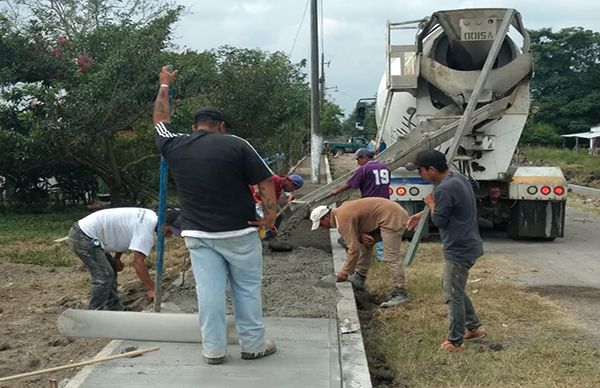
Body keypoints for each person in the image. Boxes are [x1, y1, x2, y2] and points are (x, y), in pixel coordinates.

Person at [153, 66, 278, 365]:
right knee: (246, 289)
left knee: (207, 292)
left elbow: (160, 119)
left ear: (195, 126)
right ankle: (253, 345)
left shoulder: (173, 144)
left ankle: (213, 350)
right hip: (240, 231)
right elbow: (265, 183)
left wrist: (165, 85)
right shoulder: (237, 144)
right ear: (221, 126)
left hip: (198, 234)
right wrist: (270, 219)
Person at [405, 150, 486, 352]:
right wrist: (420, 214)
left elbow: (440, 219)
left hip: (459, 248)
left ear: (431, 169)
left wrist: (431, 204)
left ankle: (455, 341)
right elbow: (449, 207)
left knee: (453, 294)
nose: (420, 175)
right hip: (469, 243)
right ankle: (474, 327)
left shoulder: (443, 189)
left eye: (421, 171)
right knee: (452, 287)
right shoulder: (457, 178)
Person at [67, 207, 181, 311]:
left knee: (111, 268)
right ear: (164, 223)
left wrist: (117, 258)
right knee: (104, 274)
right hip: (84, 235)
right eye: (170, 231)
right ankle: (94, 313)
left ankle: (113, 307)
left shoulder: (150, 216)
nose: (170, 235)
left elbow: (124, 234)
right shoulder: (146, 231)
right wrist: (151, 288)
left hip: (91, 232)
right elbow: (138, 262)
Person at [310, 197, 410, 307]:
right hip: (387, 213)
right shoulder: (341, 212)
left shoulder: (342, 218)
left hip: (392, 216)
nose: (323, 228)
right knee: (365, 244)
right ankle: (359, 277)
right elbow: (361, 221)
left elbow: (353, 249)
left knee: (391, 256)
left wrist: (344, 273)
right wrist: (359, 235)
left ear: (326, 217)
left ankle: (400, 293)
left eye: (321, 224)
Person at [330, 148, 390, 261]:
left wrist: (336, 191)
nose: (358, 163)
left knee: (362, 225)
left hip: (370, 203)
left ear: (364, 158)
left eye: (358, 159)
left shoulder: (364, 169)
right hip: (385, 202)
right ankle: (382, 255)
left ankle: (351, 242)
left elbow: (351, 183)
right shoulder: (385, 167)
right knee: (381, 227)